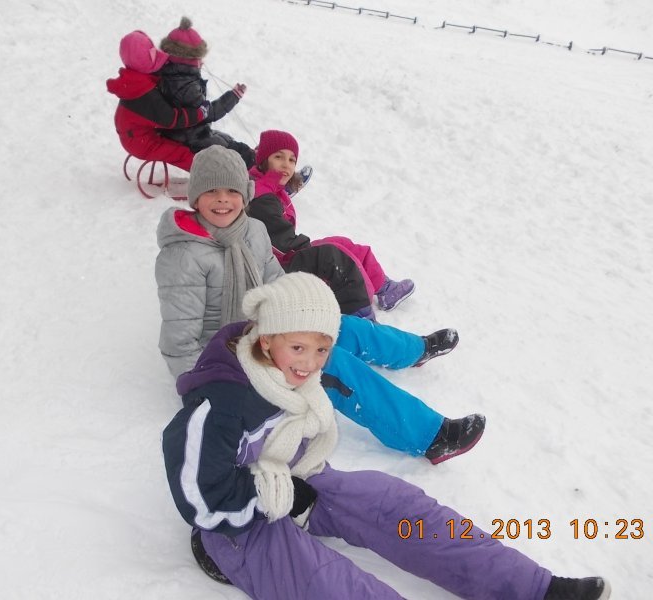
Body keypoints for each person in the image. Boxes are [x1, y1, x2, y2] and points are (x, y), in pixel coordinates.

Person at [162, 272, 612, 600]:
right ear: (266, 340)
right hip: (233, 526)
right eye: (298, 348)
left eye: (322, 349)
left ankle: (533, 589)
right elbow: (202, 496)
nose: (310, 363)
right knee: (329, 581)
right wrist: (273, 497)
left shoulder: (293, 374)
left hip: (299, 481)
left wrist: (298, 490)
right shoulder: (221, 404)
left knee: (396, 504)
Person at [155, 145, 482, 462]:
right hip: (230, 358)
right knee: (331, 364)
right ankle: (430, 436)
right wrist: (212, 391)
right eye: (212, 191)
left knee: (342, 327)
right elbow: (179, 343)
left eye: (231, 190)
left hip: (267, 330)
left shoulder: (253, 231)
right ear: (195, 197)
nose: (223, 199)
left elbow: (278, 283)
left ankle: (414, 350)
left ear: (245, 193)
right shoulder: (183, 256)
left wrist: (308, 315)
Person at [247, 130, 416, 319]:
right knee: (337, 256)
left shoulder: (271, 188)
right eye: (279, 157)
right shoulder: (262, 197)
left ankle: (384, 287)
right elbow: (280, 244)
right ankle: (362, 310)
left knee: (341, 242)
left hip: (285, 255)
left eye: (292, 160)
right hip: (277, 266)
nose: (287, 164)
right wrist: (314, 253)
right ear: (263, 159)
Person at [106, 29, 243, 171]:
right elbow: (171, 118)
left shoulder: (137, 77)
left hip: (139, 133)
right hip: (141, 142)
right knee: (183, 153)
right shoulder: (144, 94)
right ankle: (205, 175)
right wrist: (199, 113)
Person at [155, 17, 256, 167]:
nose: (202, 62)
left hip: (185, 131)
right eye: (198, 58)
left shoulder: (172, 76)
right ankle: (252, 170)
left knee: (226, 139)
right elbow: (208, 113)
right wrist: (233, 97)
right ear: (187, 60)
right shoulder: (186, 86)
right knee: (228, 150)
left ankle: (253, 158)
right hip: (188, 137)